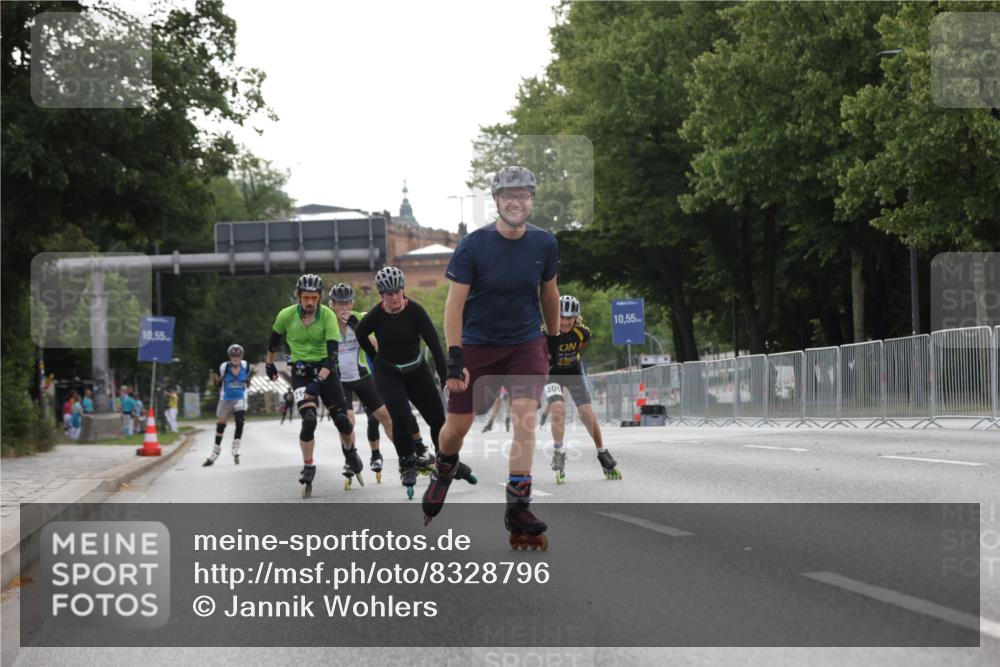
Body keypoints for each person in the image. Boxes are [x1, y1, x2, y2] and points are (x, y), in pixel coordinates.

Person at [422, 165, 559, 551]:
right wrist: (454, 357)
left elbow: (549, 294)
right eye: (508, 196)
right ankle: (444, 466)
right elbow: (454, 306)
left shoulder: (545, 243)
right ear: (496, 201)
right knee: (457, 428)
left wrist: (552, 340)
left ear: (532, 200)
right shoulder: (474, 245)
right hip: (477, 344)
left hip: (526, 342)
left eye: (523, 196)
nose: (516, 202)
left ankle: (519, 506)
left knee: (525, 415)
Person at [355, 266, 477, 499]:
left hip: (416, 370)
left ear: (403, 290)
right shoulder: (375, 316)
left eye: (398, 292)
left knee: (438, 420)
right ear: (382, 295)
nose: (395, 298)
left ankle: (445, 460)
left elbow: (434, 345)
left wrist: (446, 375)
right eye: (389, 294)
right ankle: (407, 464)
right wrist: (374, 356)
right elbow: (361, 334)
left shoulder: (416, 312)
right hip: (388, 373)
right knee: (400, 417)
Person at [265, 274, 359, 497]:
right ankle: (308, 465)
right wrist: (270, 364)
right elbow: (273, 341)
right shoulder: (286, 316)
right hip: (301, 372)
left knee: (343, 422)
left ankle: (350, 451)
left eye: (314, 298)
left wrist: (319, 381)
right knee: (308, 420)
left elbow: (332, 356)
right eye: (306, 297)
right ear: (298, 296)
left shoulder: (327, 316)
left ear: (320, 298)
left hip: (326, 371)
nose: (309, 302)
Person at [328, 282, 396, 483]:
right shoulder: (326, 322)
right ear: (332, 305)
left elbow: (376, 346)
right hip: (340, 380)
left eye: (348, 303)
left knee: (386, 417)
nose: (344, 308)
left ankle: (405, 455)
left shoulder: (360, 317)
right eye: (340, 304)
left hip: (363, 376)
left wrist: (357, 326)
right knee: (348, 421)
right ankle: (350, 456)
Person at [547, 295, 619, 483]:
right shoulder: (545, 332)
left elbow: (581, 347)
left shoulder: (583, 332)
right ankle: (559, 451)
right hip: (551, 374)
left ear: (576, 317)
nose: (565, 321)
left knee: (586, 412)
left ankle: (602, 451)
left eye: (570, 318)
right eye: (562, 317)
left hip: (573, 372)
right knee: (558, 408)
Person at [204, 344, 252, 466]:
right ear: (229, 357)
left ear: (242, 356)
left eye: (238, 356)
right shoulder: (224, 367)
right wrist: (217, 381)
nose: (235, 358)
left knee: (240, 421)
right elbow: (219, 384)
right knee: (221, 425)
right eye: (233, 356)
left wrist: (246, 383)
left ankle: (235, 446)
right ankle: (216, 450)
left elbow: (248, 382)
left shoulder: (246, 366)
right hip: (226, 398)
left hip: (240, 397)